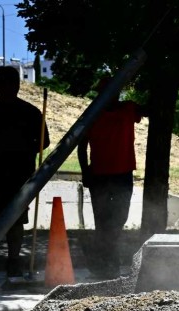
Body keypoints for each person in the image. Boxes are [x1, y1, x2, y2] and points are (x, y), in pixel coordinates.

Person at [0, 65, 50, 287]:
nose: (0, 88)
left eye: (3, 84)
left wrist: (22, 150)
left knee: (15, 220)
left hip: (19, 177)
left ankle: (13, 262)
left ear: (14, 86)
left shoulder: (31, 112)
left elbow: (44, 142)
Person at [77, 78, 144, 279]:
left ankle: (104, 261)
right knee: (104, 222)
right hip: (99, 175)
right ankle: (108, 265)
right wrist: (85, 172)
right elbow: (82, 145)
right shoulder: (92, 113)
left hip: (122, 175)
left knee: (118, 220)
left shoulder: (129, 109)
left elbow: (148, 111)